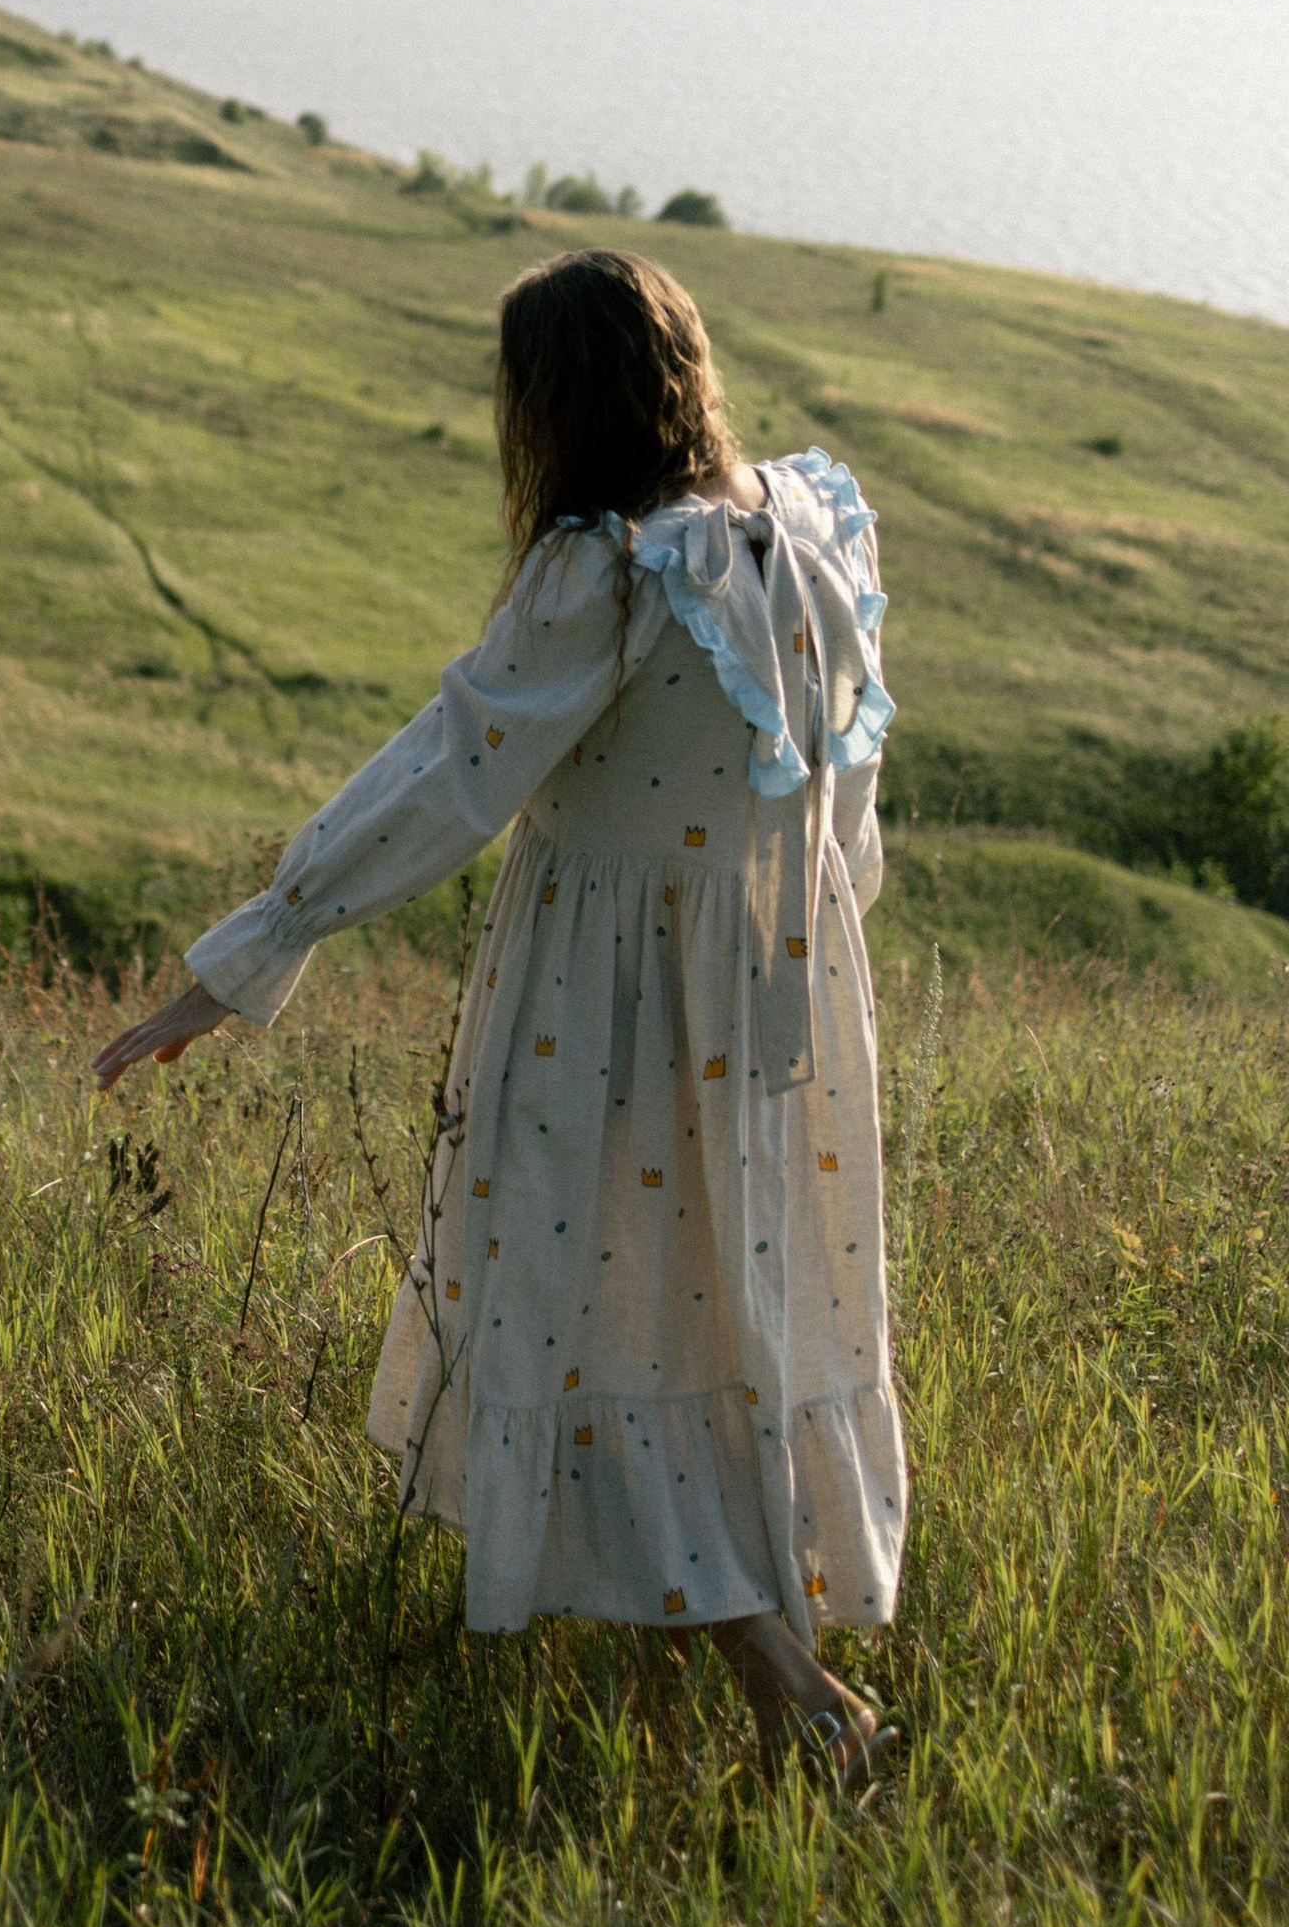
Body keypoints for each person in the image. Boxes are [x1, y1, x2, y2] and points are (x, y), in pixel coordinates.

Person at [93, 249, 904, 1784]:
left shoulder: (605, 571)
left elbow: (452, 767)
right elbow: (843, 802)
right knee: (717, 1323)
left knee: (592, 1323)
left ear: (561, 404)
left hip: (610, 1015)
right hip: (776, 994)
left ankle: (798, 1697)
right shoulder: (812, 527)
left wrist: (255, 947)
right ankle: (764, 1678)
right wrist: (805, 934)